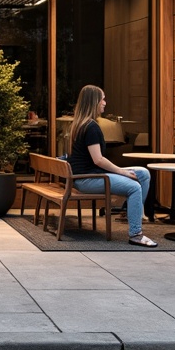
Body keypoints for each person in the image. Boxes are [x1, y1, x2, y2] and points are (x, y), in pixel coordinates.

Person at [68, 84, 157, 247]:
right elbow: (98, 160)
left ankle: (128, 211)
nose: (105, 103)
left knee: (143, 173)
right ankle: (136, 234)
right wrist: (122, 172)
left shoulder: (81, 124)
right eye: (102, 99)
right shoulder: (91, 127)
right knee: (134, 187)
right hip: (87, 179)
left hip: (86, 175)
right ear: (94, 102)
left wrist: (121, 172)